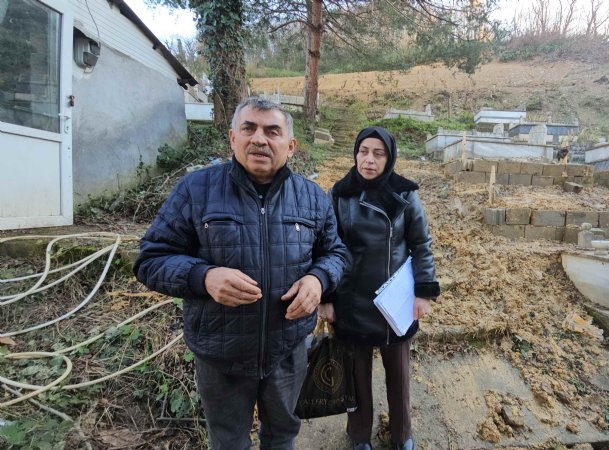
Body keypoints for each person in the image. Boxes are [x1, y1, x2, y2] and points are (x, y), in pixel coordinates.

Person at [134, 97, 348, 450]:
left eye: (272, 131)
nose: (259, 139)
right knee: (228, 442)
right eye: (249, 129)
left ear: (290, 146)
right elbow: (150, 259)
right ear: (233, 138)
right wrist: (202, 277)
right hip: (221, 354)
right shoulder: (196, 190)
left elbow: (336, 254)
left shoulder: (313, 198)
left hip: (287, 351)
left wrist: (319, 279)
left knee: (281, 438)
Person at [318, 126, 440, 450]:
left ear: (389, 157)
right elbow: (328, 247)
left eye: (378, 153)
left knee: (398, 376)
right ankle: (359, 436)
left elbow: (421, 244)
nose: (368, 160)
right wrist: (327, 298)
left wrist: (423, 292)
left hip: (394, 300)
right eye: (363, 151)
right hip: (351, 299)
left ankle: (402, 436)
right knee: (356, 377)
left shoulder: (405, 194)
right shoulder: (339, 194)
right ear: (355, 154)